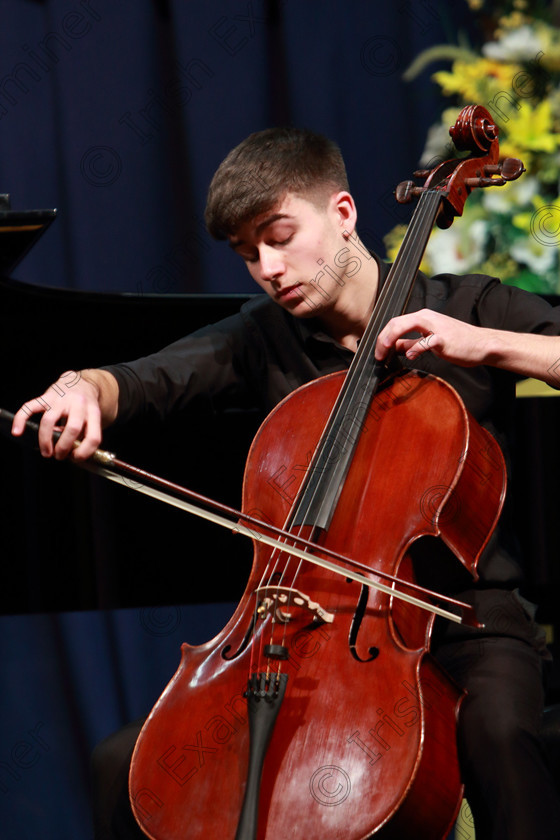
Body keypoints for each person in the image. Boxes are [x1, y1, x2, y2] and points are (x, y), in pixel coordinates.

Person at [11, 127, 560, 839]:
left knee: (501, 738)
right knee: (128, 762)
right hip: (303, 628)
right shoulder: (261, 336)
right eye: (248, 255)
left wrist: (484, 344)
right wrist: (81, 386)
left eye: (279, 236)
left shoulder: (472, 306)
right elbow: (149, 378)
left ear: (342, 212)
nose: (269, 268)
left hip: (469, 618)